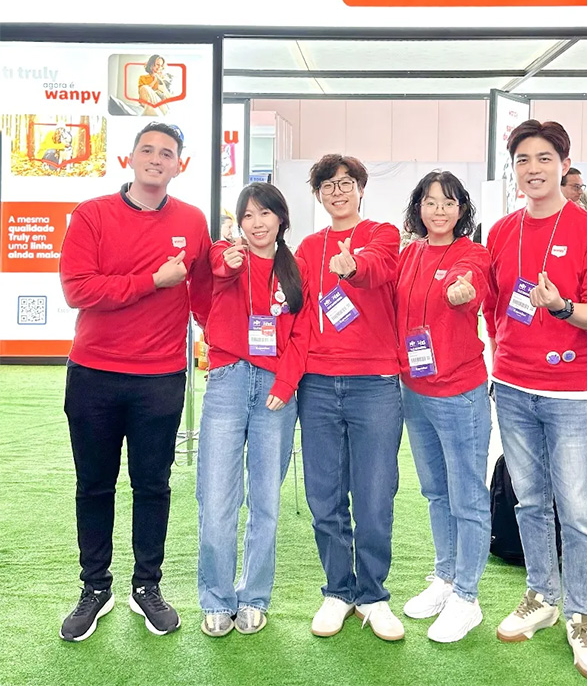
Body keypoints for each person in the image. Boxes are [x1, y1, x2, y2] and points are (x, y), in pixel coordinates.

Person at [58, 121, 212, 642]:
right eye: (147, 149)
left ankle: (147, 585)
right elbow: (78, 290)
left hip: (160, 378)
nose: (156, 158)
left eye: (167, 152)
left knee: (152, 486)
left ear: (179, 165)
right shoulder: (92, 214)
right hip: (94, 375)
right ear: (129, 158)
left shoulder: (192, 220)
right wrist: (152, 281)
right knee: (94, 485)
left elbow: (205, 294)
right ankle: (94, 587)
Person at [484, 120, 587, 681]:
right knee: (530, 501)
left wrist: (562, 307)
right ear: (514, 169)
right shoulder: (501, 231)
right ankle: (541, 595)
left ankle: (581, 614)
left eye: (544, 158)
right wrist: (503, 356)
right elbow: (495, 306)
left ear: (563, 166)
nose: (533, 168)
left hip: (572, 393)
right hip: (514, 388)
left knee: (578, 510)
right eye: (523, 159)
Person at [295, 154, 404, 642]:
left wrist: (353, 265)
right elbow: (293, 302)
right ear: (318, 195)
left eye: (345, 184)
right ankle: (338, 591)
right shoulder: (307, 246)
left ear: (360, 188)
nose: (337, 192)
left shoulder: (382, 234)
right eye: (328, 186)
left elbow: (379, 269)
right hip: (317, 383)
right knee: (324, 497)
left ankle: (374, 595)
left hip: (374, 383)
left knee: (375, 497)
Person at [196, 183, 310, 638]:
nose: (257, 223)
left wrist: (285, 383)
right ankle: (216, 598)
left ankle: (254, 596)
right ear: (238, 223)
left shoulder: (295, 270)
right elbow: (213, 269)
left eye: (265, 214)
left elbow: (303, 335)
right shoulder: (228, 255)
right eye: (248, 215)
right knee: (216, 498)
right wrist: (227, 262)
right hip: (227, 382)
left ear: (281, 218)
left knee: (265, 501)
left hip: (276, 391)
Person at [396, 171, 491, 643]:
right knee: (436, 491)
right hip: (414, 390)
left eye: (448, 203)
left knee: (467, 496)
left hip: (458, 392)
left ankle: (467, 597)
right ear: (419, 207)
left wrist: (462, 291)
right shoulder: (409, 254)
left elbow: (469, 283)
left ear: (461, 210)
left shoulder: (471, 254)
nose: (439, 211)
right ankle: (446, 577)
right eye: (431, 202)